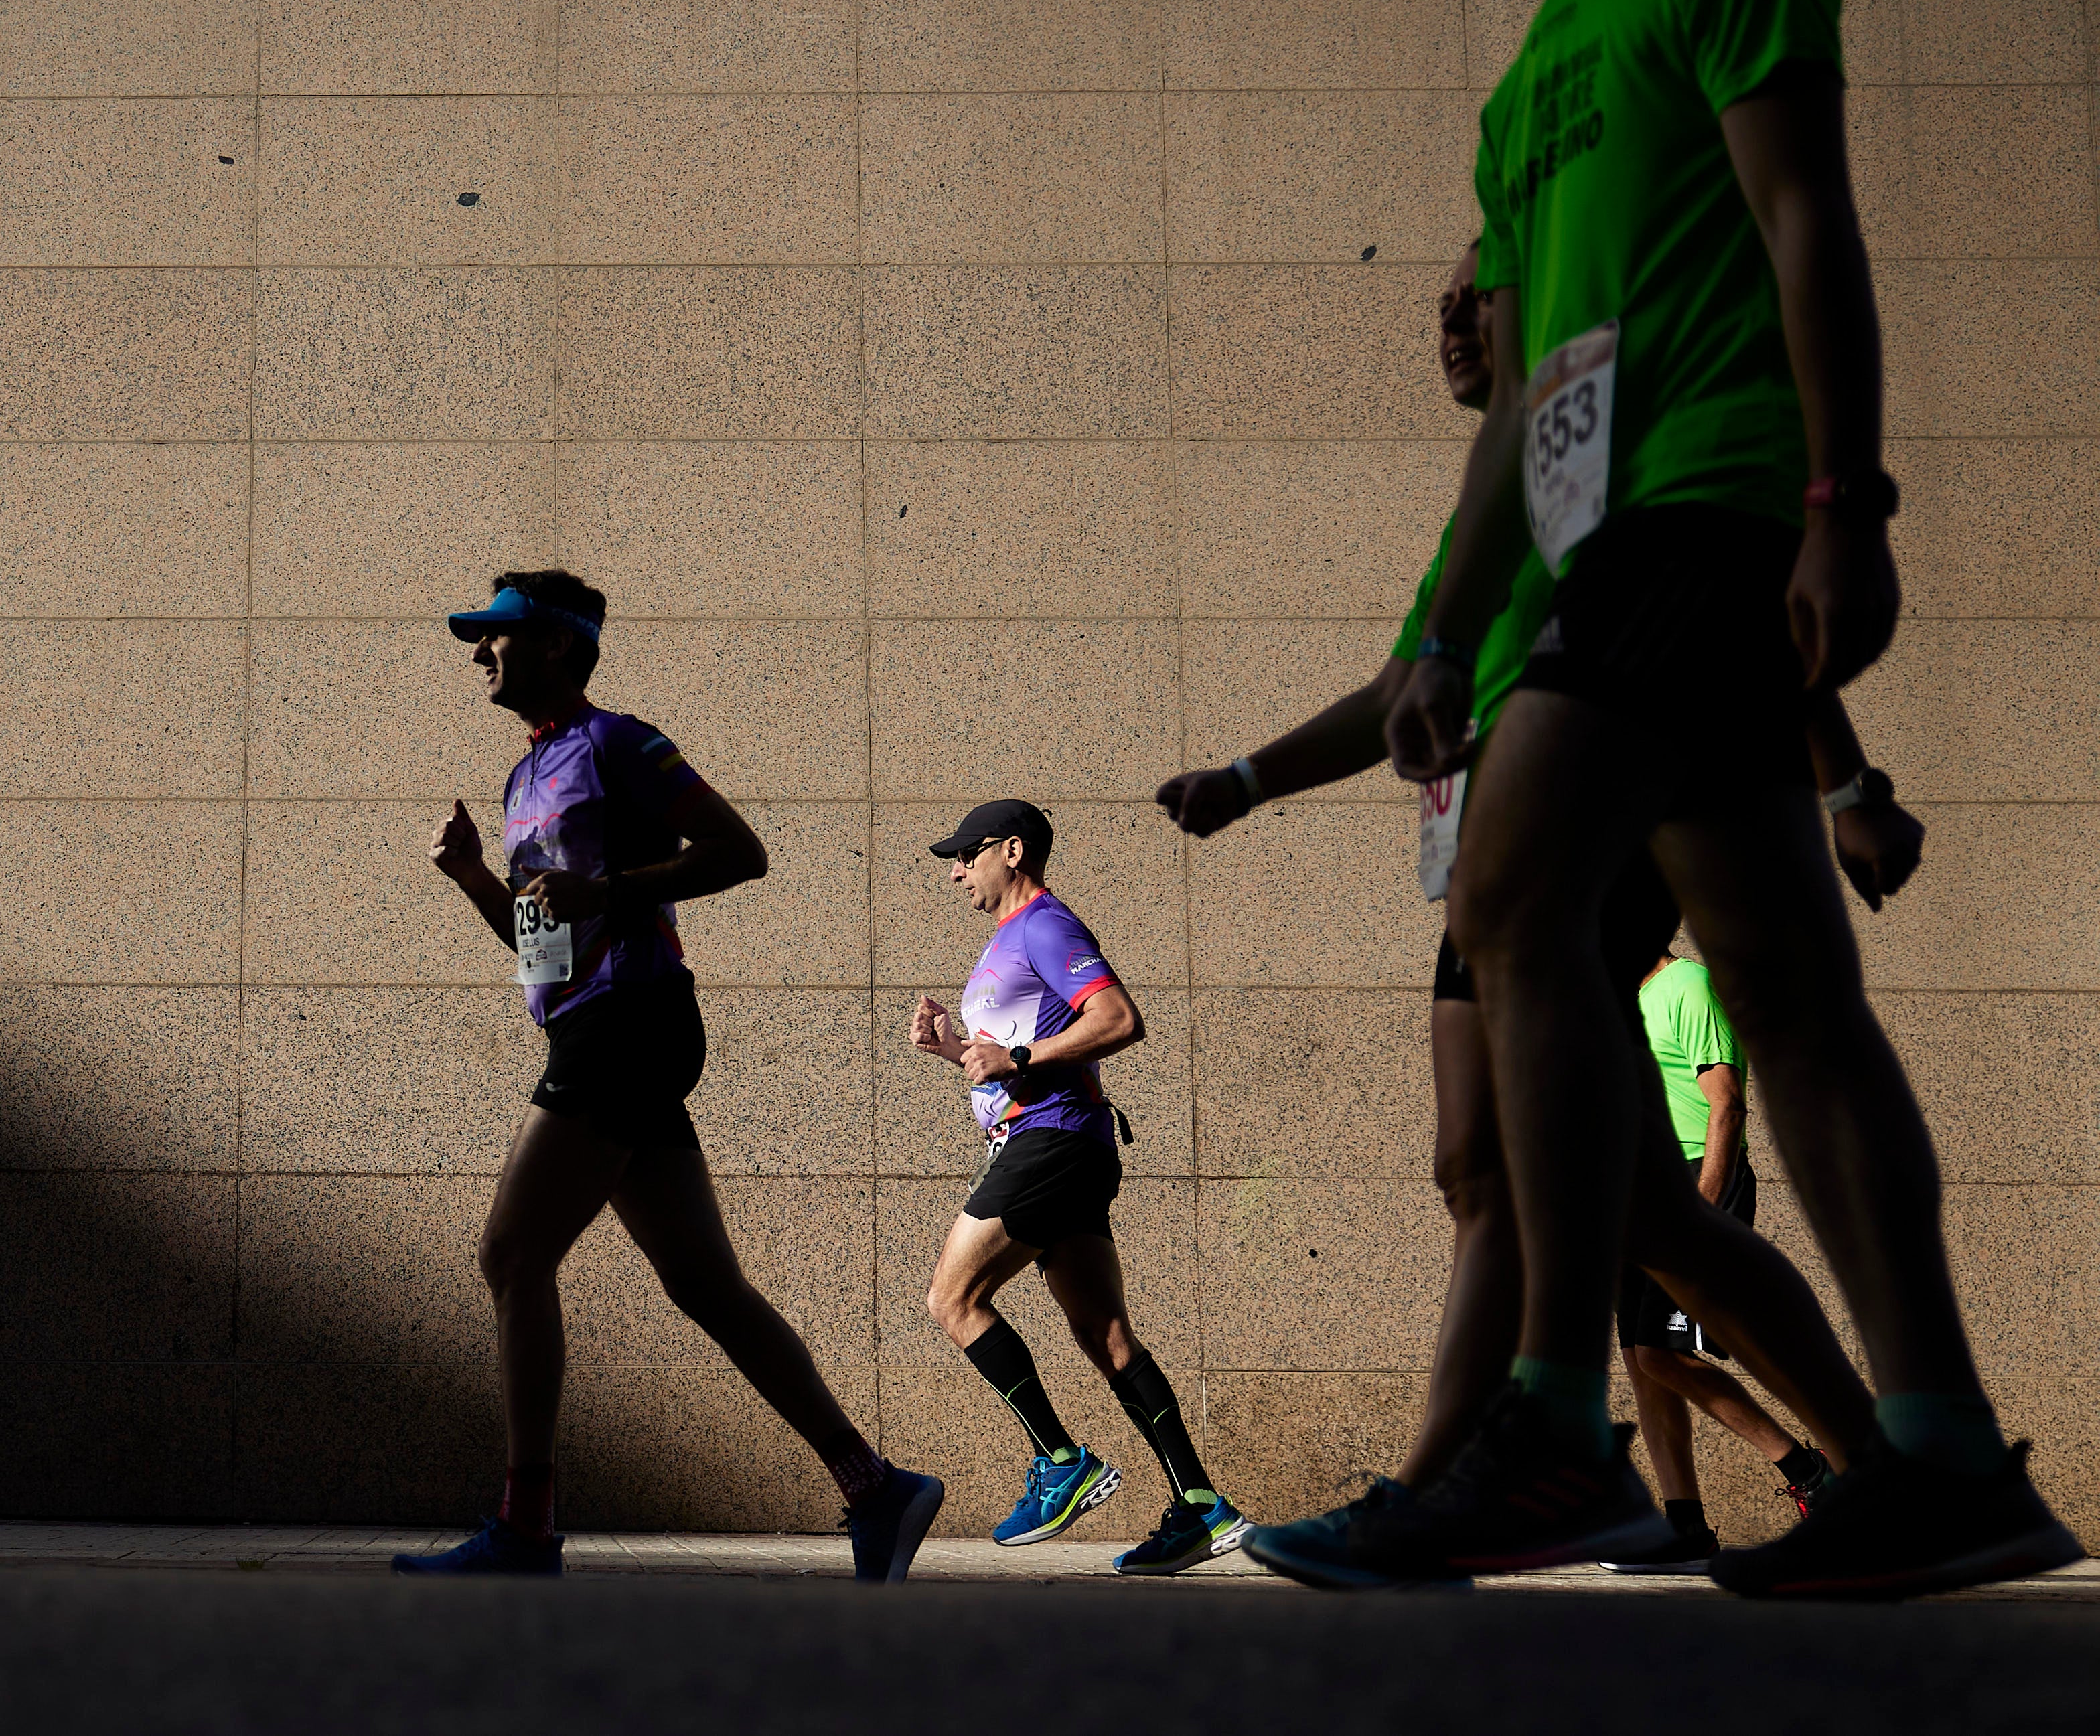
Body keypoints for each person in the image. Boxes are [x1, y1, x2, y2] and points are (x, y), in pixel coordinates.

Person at [1370, 0, 2081, 1594]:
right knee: (1785, 986)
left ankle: (1554, 1425)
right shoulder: (1531, 68)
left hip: (1702, 497)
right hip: (1592, 536)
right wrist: (1442, 632)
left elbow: (1805, 216)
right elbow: (1525, 395)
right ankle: (1946, 1452)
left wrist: (1844, 501)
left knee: (1514, 898)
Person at [1162, 242, 1898, 1591]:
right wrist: (1249, 778)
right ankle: (1872, 1463)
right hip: (1494, 855)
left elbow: (1730, 615)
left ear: (1538, 315)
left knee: (1497, 1167)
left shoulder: (1596, 467)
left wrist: (1844, 788)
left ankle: (1439, 1483)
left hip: (1594, 827)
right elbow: (1401, 687)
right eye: (1437, 306)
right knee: (1581, 1198)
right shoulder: (1487, 512)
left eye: (1472, 300)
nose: (1448, 323)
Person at [394, 571, 944, 1581]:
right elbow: (542, 944)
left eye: (497, 636)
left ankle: (524, 1526)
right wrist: (475, 876)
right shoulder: (526, 779)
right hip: (594, 1022)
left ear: (559, 643)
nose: (480, 653)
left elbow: (742, 851)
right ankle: (875, 1483)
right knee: (702, 1281)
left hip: (632, 1023)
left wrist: (605, 885)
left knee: (513, 1255)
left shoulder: (618, 743)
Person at [910, 801, 1252, 1575]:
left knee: (952, 1300)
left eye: (967, 855)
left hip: (1051, 1145)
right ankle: (1200, 1506)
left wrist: (1019, 1059)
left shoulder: (1044, 926)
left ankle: (1061, 1461)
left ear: (1013, 850)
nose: (957, 871)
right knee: (1106, 1337)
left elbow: (1120, 1019)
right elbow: (1008, 1062)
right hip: (1063, 1144)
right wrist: (955, 1051)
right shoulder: (1010, 941)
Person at [1608, 949, 1831, 1573]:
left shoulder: (1690, 985)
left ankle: (1811, 1471)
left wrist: (1702, 1207)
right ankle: (1685, 1529)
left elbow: (1725, 1103)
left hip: (1694, 1184)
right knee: (1643, 1361)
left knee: (1663, 1353)